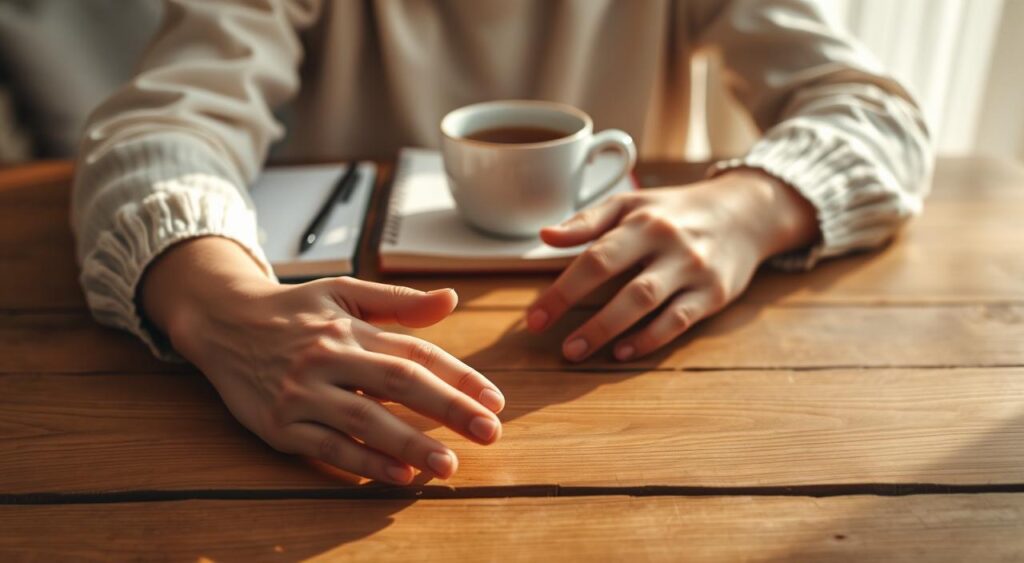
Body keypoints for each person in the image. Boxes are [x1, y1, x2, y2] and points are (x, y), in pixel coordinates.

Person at [72, 0, 931, 484]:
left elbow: (878, 113)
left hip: (622, 380)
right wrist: (225, 305)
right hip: (345, 351)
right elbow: (156, 129)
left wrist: (749, 207)